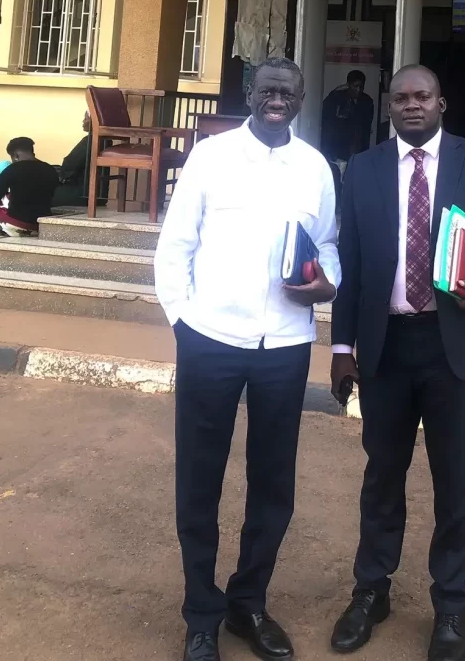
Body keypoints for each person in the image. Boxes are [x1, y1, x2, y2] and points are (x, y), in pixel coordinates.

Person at [330, 65, 465, 661]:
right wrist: (343, 349)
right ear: (388, 107)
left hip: (455, 349)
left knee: (455, 481)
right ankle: (371, 591)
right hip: (386, 349)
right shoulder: (365, 170)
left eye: (423, 95)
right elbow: (351, 265)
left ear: (442, 102)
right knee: (382, 476)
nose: (412, 105)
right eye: (401, 98)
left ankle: (451, 604)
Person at [155, 57, 341, 661]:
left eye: (288, 90)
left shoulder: (314, 168)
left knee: (272, 483)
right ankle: (201, 614)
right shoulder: (211, 157)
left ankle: (248, 602)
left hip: (283, 346)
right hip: (209, 339)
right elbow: (176, 242)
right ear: (251, 94)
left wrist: (327, 285)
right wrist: (183, 321)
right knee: (199, 480)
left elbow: (330, 244)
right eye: (267, 90)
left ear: (303, 95)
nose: (277, 99)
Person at [0, 137, 59, 237]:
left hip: (16, 224)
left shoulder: (12, 169)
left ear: (15, 155)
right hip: (41, 225)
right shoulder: (50, 169)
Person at [321, 70, 375, 177]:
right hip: (337, 145)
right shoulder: (335, 98)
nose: (358, 90)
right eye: (355, 86)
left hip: (357, 145)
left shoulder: (367, 101)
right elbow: (326, 119)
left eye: (361, 86)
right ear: (348, 85)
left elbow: (366, 126)